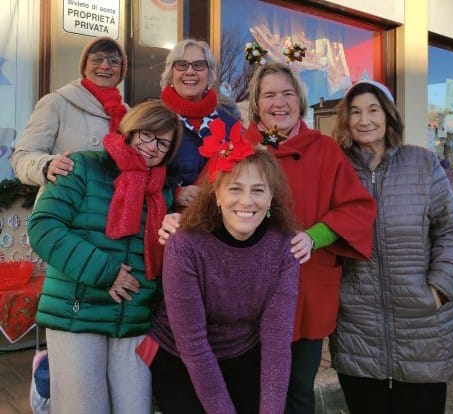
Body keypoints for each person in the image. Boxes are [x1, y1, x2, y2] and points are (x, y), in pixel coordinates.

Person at [158, 61, 378, 413]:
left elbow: (356, 208)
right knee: (254, 390)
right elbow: (208, 200)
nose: (279, 102)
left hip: (307, 287)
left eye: (288, 93)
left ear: (300, 100)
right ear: (256, 103)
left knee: (299, 389)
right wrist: (178, 221)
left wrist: (314, 237)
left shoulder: (324, 148)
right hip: (247, 297)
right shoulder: (237, 146)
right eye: (269, 94)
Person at [27, 101, 182, 414]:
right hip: (77, 312)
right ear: (131, 129)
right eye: (147, 135)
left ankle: (46, 374)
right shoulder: (82, 166)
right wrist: (105, 272)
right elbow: (44, 227)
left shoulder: (162, 192)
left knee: (135, 408)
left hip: (134, 318)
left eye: (163, 143)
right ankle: (47, 378)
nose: (153, 147)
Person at [138, 124, 301, 413]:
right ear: (216, 195)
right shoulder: (186, 245)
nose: (246, 201)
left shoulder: (284, 248)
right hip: (180, 356)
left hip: (241, 350)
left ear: (271, 198)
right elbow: (193, 345)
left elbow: (276, 342)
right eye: (235, 189)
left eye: (258, 190)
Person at [330, 79, 453, 414]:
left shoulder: (422, 164)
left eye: (373, 110)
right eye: (355, 112)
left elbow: (450, 229)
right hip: (358, 326)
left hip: (423, 322)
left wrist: (440, 288)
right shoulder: (334, 168)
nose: (364, 120)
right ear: (346, 119)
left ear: (389, 115)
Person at [12, 36, 128, 190]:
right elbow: (21, 158)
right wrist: (47, 165)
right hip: (67, 200)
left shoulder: (128, 114)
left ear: (121, 70)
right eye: (97, 59)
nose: (105, 66)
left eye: (114, 61)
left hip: (113, 201)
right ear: (84, 68)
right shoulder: (56, 102)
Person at [159, 38, 239, 210]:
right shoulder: (154, 120)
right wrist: (174, 193)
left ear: (209, 74)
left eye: (199, 65)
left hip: (221, 218)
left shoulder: (230, 124)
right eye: (181, 65)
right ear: (171, 73)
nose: (190, 71)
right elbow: (141, 176)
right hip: (172, 220)